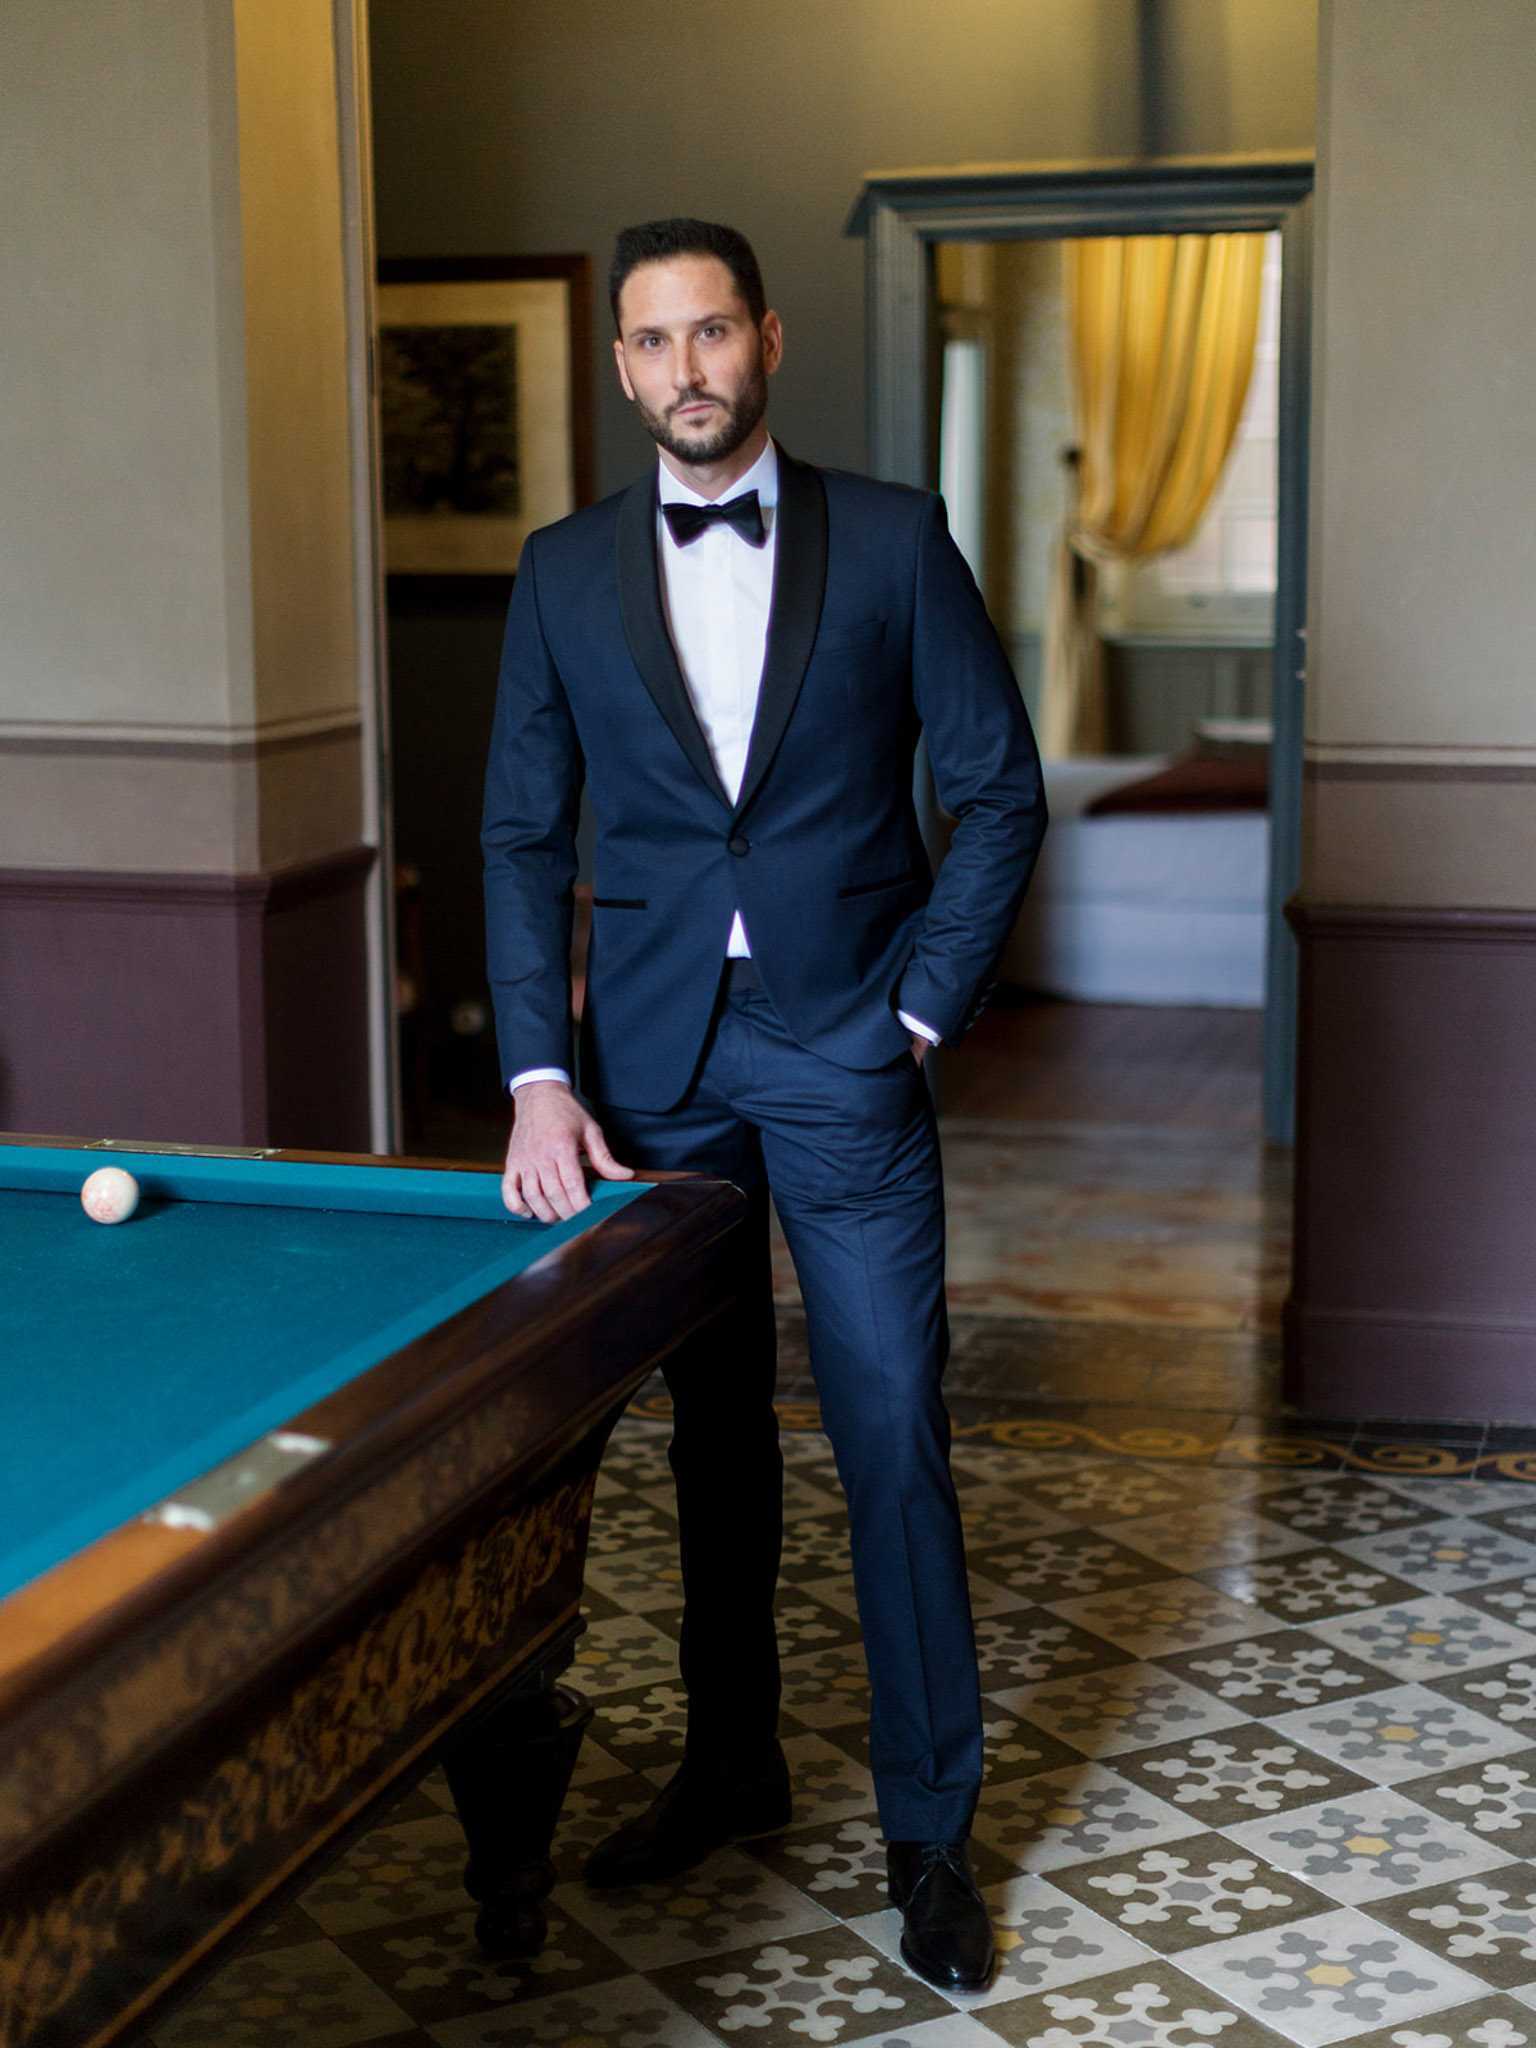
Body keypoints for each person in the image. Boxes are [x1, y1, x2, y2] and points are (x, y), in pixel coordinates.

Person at [482, 217, 1046, 1992]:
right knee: (707, 1436)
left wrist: (922, 1012)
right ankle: (732, 1765)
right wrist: (539, 1078)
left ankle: (931, 1834)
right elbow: (520, 836)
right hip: (651, 1072)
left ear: (769, 340)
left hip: (848, 1047)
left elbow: (1000, 790)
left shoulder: (891, 539)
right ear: (624, 367)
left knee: (890, 1431)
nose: (687, 369)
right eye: (653, 342)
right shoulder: (560, 572)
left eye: (712, 332)